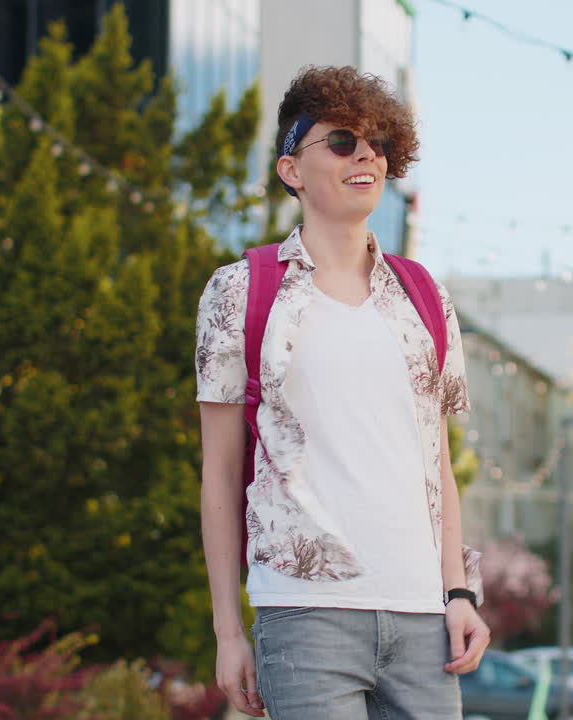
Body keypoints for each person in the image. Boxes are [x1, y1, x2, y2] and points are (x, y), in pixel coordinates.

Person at [195, 65, 489, 719]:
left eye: (378, 142)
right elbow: (218, 476)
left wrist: (459, 594)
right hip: (305, 617)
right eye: (341, 141)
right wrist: (226, 631)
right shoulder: (241, 293)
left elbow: (435, 466)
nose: (366, 155)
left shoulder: (422, 297)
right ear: (291, 170)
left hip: (423, 622)